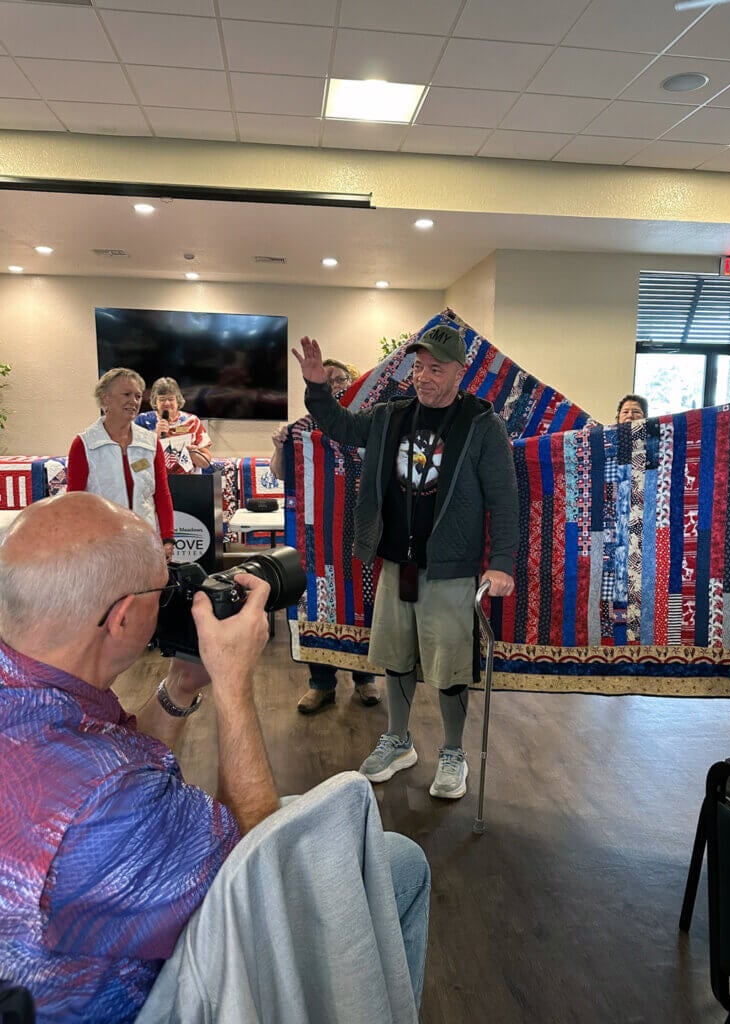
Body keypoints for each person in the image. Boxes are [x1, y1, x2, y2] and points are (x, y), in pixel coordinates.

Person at [0, 493, 430, 1021]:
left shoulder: (39, 700)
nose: (176, 597)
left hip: (75, 937)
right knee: (399, 864)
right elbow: (255, 867)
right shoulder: (105, 802)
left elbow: (121, 755)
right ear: (122, 618)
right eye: (166, 587)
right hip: (135, 1000)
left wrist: (180, 685)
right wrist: (231, 683)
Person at [293, 324, 518, 800]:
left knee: (452, 666)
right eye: (418, 367)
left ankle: (453, 751)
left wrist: (501, 562)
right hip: (396, 562)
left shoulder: (481, 425)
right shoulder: (389, 416)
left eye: (436, 368)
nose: (423, 377)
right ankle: (398, 741)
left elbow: (505, 499)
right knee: (395, 657)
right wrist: (317, 385)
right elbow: (338, 426)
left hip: (451, 568)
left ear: (460, 372)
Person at [271, 358, 381, 714]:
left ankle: (365, 679)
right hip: (317, 535)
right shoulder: (303, 426)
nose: (336, 384)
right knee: (318, 605)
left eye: (342, 379)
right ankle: (321, 684)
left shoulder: (371, 421)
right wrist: (279, 447)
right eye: (329, 380)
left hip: (364, 529)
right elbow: (281, 473)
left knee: (363, 603)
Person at [67, 367, 175, 561]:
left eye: (138, 396)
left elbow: (162, 494)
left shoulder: (151, 442)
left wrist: (167, 538)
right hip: (101, 548)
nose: (134, 401)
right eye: (126, 394)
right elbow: (74, 501)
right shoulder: (84, 444)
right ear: (105, 398)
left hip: (145, 543)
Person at [135, 376, 213, 475]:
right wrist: (154, 436)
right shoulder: (142, 421)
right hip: (152, 482)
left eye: (171, 399)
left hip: (187, 482)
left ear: (178, 400)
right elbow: (135, 465)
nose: (167, 403)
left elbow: (206, 464)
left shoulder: (192, 422)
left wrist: (194, 454)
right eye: (162, 399)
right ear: (155, 401)